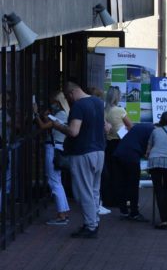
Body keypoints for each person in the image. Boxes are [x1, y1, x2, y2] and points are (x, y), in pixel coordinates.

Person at [52, 81, 106, 238]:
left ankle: (90, 226)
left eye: (68, 98)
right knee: (94, 190)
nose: (69, 101)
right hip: (99, 151)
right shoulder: (98, 102)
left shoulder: (79, 106)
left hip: (83, 152)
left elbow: (74, 131)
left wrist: (58, 126)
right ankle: (94, 221)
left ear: (71, 93)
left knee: (83, 191)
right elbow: (104, 126)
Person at [33, 91, 71, 225]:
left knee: (53, 181)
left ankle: (61, 215)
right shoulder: (64, 114)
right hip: (59, 147)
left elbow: (44, 126)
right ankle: (64, 212)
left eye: (54, 102)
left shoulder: (61, 114)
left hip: (54, 149)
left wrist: (36, 113)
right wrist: (46, 116)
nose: (52, 105)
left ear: (58, 102)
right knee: (57, 181)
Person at [113, 123, 154, 222]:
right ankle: (134, 213)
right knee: (133, 184)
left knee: (122, 183)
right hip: (131, 156)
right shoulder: (154, 131)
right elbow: (149, 149)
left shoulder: (141, 126)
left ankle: (123, 211)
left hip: (118, 153)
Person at [103, 87, 133, 208]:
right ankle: (121, 199)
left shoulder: (104, 111)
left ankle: (109, 199)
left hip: (108, 144)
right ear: (117, 97)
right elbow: (130, 126)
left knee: (110, 172)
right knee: (121, 173)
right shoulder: (120, 110)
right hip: (120, 143)